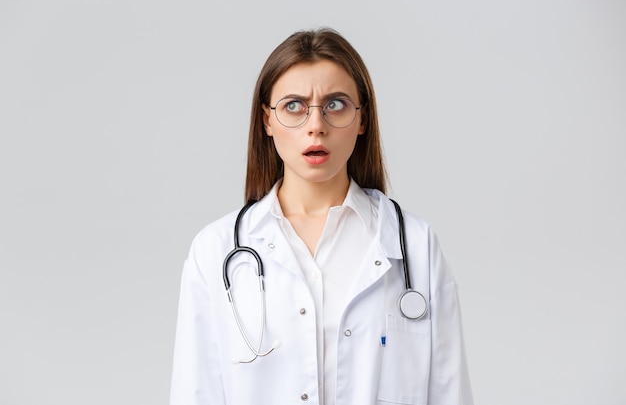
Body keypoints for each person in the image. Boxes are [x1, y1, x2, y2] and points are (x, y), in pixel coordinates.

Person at [170, 28, 473, 405]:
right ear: (267, 120)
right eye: (294, 106)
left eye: (336, 104)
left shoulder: (414, 244)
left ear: (362, 119)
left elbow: (449, 392)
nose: (316, 125)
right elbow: (195, 392)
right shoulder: (214, 251)